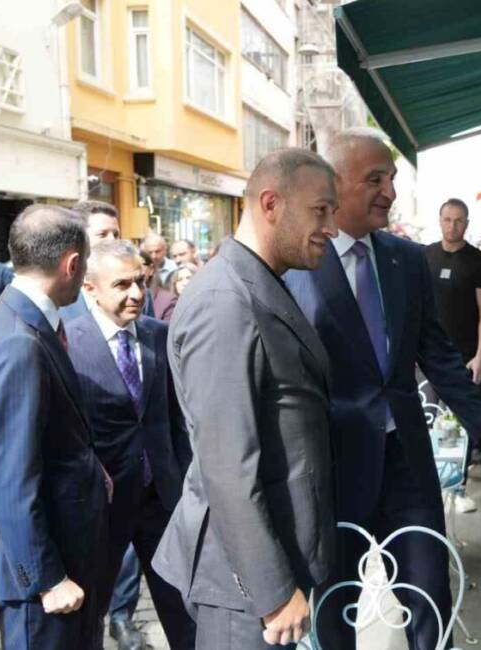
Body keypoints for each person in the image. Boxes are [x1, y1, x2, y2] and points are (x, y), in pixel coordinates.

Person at [284, 128, 481, 650]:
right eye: (374, 179)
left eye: (393, 178)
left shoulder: (404, 259)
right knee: (336, 605)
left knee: (430, 596)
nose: (390, 191)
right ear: (333, 185)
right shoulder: (297, 264)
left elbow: (438, 353)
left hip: (408, 462)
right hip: (335, 462)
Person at [152, 148, 339, 649]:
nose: (333, 228)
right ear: (271, 203)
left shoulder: (259, 283)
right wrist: (273, 591)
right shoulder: (225, 302)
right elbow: (227, 466)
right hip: (244, 585)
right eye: (321, 211)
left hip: (269, 566)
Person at [0, 205, 109, 649]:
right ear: (73, 264)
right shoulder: (16, 343)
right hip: (46, 571)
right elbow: (8, 476)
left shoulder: (18, 320)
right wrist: (48, 579)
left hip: (64, 543)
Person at [66, 240, 196, 650]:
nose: (137, 294)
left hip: (161, 498)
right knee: (91, 610)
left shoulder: (160, 335)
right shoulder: (67, 344)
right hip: (102, 505)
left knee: (184, 608)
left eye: (140, 281)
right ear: (90, 289)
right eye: (122, 284)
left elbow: (179, 419)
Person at [424, 198, 481, 480]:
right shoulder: (425, 255)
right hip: (426, 355)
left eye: (458, 220)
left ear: (466, 223)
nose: (452, 226)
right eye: (447, 219)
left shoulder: (478, 262)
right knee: (428, 419)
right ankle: (434, 480)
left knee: (462, 421)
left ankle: (460, 482)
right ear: (440, 220)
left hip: (463, 356)